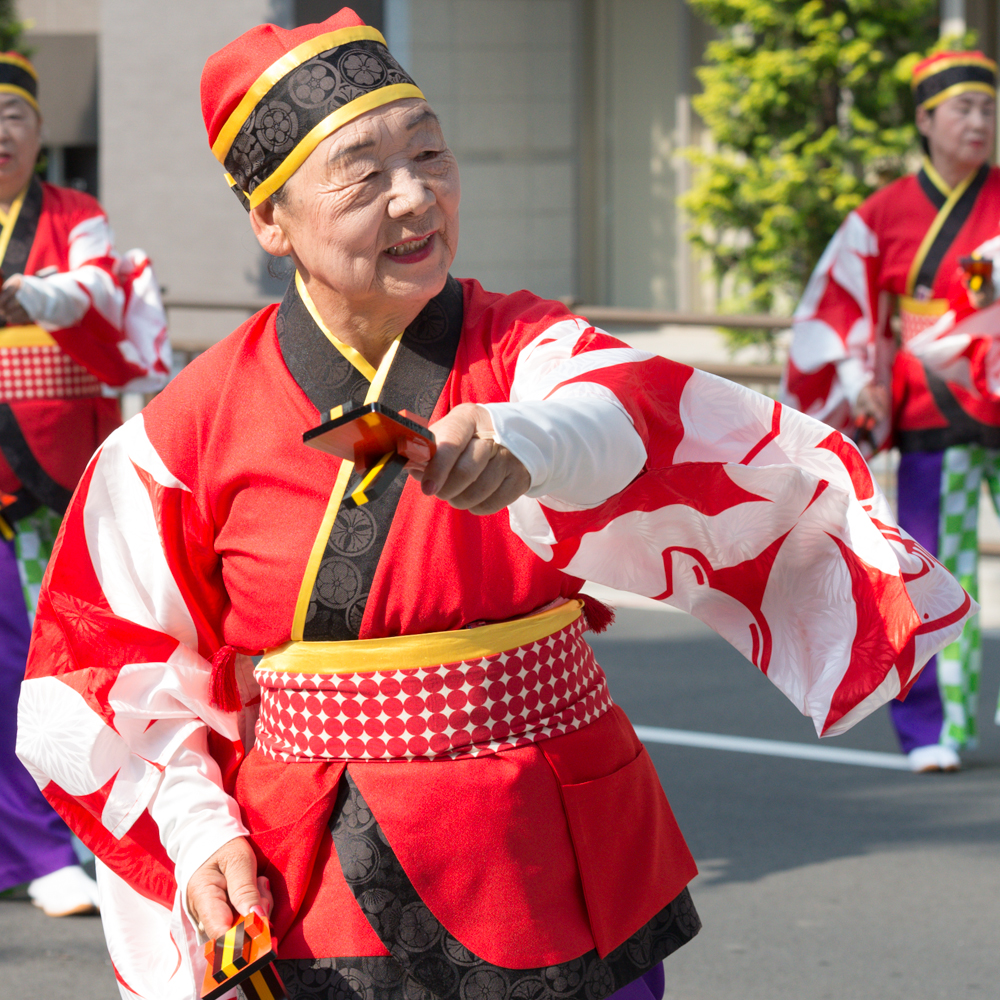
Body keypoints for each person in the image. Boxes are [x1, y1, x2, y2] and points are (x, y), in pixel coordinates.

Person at [15, 13, 971, 1000]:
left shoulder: (527, 347)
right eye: (364, 172)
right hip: (318, 864)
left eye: (429, 151)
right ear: (271, 220)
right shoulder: (183, 432)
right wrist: (197, 822)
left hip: (558, 837)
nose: (415, 193)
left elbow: (617, 407)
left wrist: (527, 443)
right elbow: (109, 662)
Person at [783, 51, 1000, 773]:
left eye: (989, 109)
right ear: (925, 120)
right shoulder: (884, 214)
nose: (979, 122)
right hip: (932, 408)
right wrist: (857, 375)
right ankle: (930, 728)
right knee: (934, 568)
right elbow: (841, 302)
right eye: (963, 109)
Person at [0, 51, 170, 916]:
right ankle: (26, 846)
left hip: (57, 480)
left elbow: (94, 295)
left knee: (67, 664)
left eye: (12, 113)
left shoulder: (76, 217)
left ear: (39, 127)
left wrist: (32, 294)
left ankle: (70, 842)